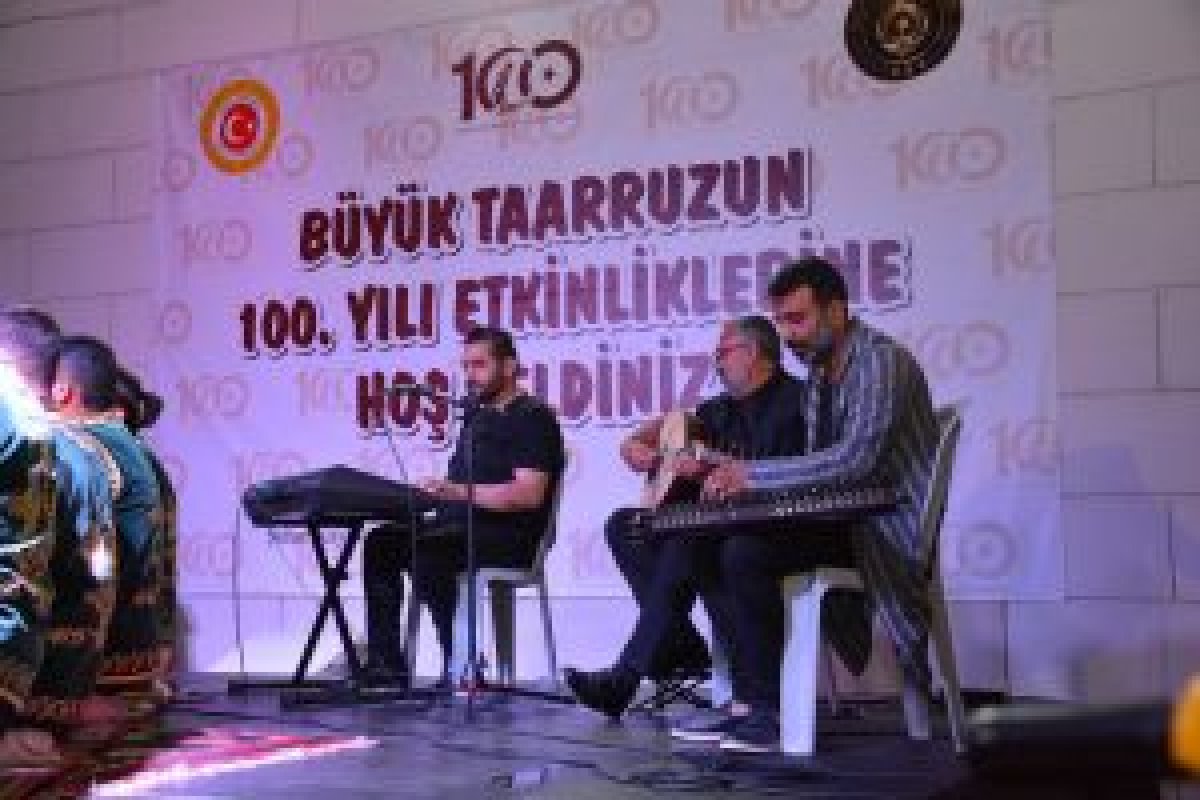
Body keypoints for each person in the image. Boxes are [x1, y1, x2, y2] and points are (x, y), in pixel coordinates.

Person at [600, 316, 808, 699]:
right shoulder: (718, 410)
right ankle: (680, 643)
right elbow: (669, 424)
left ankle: (628, 675)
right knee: (624, 525)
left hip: (777, 528)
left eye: (723, 353)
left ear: (753, 352)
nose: (717, 362)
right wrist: (632, 443)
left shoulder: (799, 401)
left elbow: (795, 473)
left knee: (687, 542)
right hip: (716, 524)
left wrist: (716, 471)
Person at [361, 327, 566, 684]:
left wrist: (457, 492)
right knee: (383, 542)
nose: (470, 375)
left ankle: (461, 661)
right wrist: (432, 494)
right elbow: (462, 485)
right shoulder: (477, 416)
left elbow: (528, 495)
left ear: (509, 366)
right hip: (460, 527)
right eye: (466, 366)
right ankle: (386, 667)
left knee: (429, 552)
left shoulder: (532, 418)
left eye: (479, 365)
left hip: (508, 535)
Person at [49, 336, 164, 694]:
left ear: (62, 391)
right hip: (137, 651)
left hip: (94, 668)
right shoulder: (126, 443)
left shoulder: (77, 446)